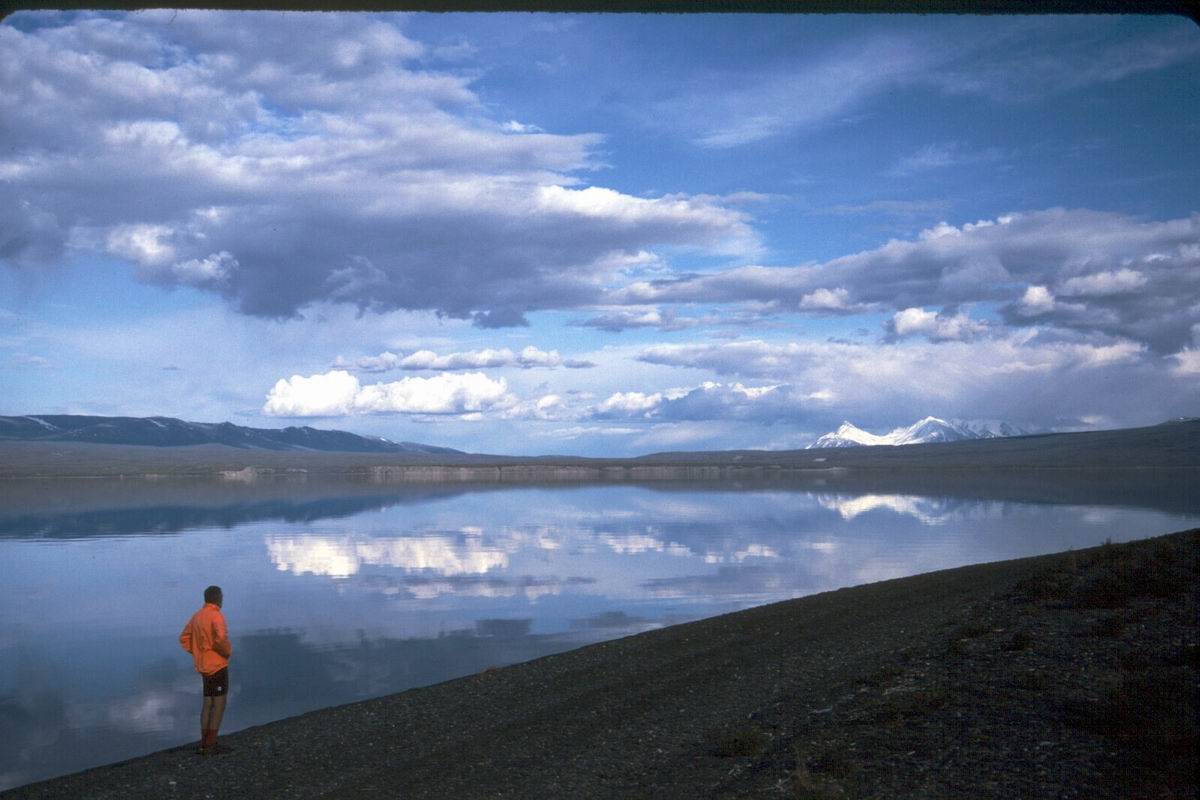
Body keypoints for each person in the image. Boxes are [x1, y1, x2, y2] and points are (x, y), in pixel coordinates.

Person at [179, 585, 233, 755]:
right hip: (217, 665)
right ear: (218, 598)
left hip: (203, 665)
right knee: (219, 703)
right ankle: (210, 743)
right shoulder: (216, 616)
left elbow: (184, 638)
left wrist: (196, 651)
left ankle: (204, 741)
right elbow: (220, 639)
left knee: (208, 702)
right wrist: (226, 652)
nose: (222, 599)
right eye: (222, 597)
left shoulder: (197, 616)